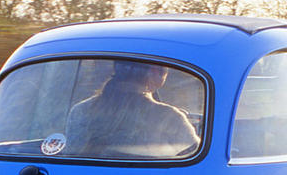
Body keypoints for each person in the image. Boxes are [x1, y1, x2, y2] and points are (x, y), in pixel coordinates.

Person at [65, 61, 200, 158]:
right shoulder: (169, 117)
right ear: (155, 71)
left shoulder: (80, 111)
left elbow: (70, 156)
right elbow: (196, 157)